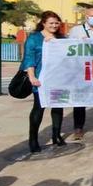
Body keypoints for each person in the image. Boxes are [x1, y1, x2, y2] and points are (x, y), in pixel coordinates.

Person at [24, 11, 66, 152]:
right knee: (39, 108)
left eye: (56, 23)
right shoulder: (34, 38)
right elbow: (29, 58)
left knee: (58, 106)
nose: (54, 25)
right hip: (40, 78)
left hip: (59, 78)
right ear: (43, 23)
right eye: (51, 23)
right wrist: (31, 76)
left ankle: (56, 135)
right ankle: (33, 139)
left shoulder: (61, 38)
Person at [69, 6, 93, 140]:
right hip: (81, 70)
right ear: (86, 17)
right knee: (80, 99)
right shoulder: (76, 31)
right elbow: (67, 47)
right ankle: (78, 127)